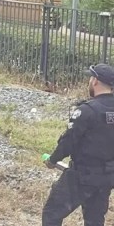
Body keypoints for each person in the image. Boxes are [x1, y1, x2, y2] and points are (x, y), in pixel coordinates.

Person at [42, 64, 114, 226]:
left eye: (90, 78)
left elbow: (68, 142)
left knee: (52, 213)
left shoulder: (87, 111)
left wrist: (52, 160)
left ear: (95, 81)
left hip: (81, 176)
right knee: (95, 220)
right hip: (107, 177)